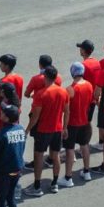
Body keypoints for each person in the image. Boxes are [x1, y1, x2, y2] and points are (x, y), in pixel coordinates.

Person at [24, 64, 67, 194]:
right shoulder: (63, 91)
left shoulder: (41, 94)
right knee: (55, 156)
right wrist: (65, 128)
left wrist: (26, 130)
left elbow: (35, 117)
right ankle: (54, 183)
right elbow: (67, 112)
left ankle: (37, 187)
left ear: (45, 77)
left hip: (43, 131)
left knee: (39, 157)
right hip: (57, 129)